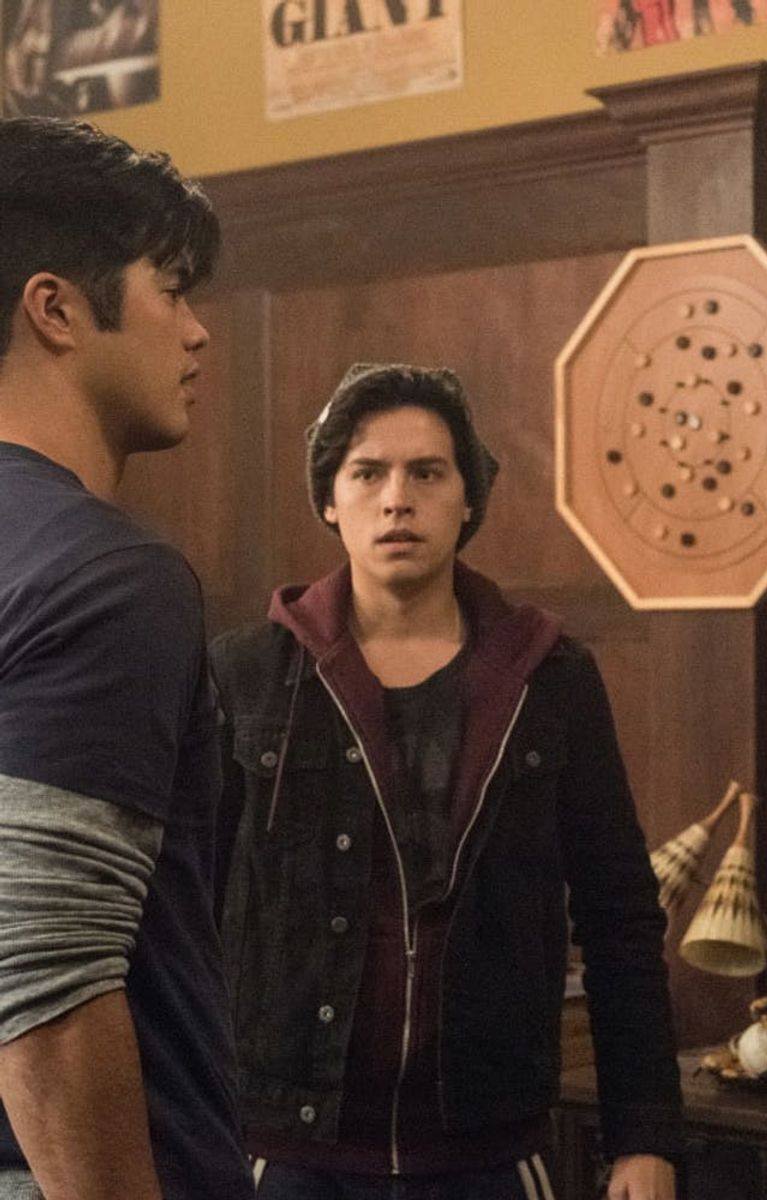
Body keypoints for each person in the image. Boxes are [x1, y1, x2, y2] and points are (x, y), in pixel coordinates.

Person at [211, 363, 682, 1199]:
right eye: (368, 473)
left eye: (427, 472)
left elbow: (619, 915)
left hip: (486, 1147)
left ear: (469, 498)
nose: (397, 499)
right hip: (284, 1148)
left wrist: (643, 1134)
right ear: (330, 499)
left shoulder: (549, 676)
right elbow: (183, 907)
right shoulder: (248, 674)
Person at [0, 118, 253, 1198]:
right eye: (171, 289)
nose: (197, 333)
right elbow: (43, 997)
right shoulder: (106, 575)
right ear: (55, 309)